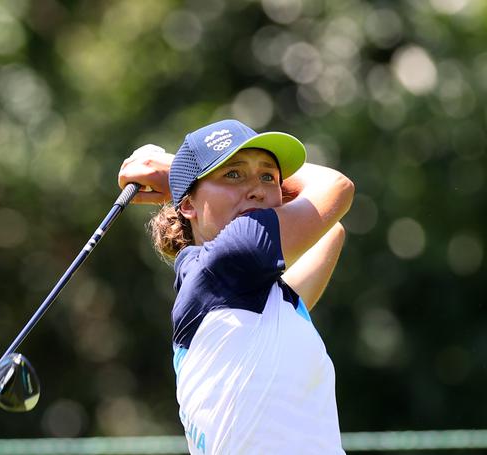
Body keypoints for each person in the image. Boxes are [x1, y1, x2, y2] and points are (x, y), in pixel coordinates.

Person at [118, 119, 354, 454]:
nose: (257, 188)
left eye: (268, 176)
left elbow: (331, 230)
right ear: (186, 204)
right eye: (232, 174)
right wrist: (175, 168)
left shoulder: (255, 295)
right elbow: (336, 187)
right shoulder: (232, 257)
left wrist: (190, 181)